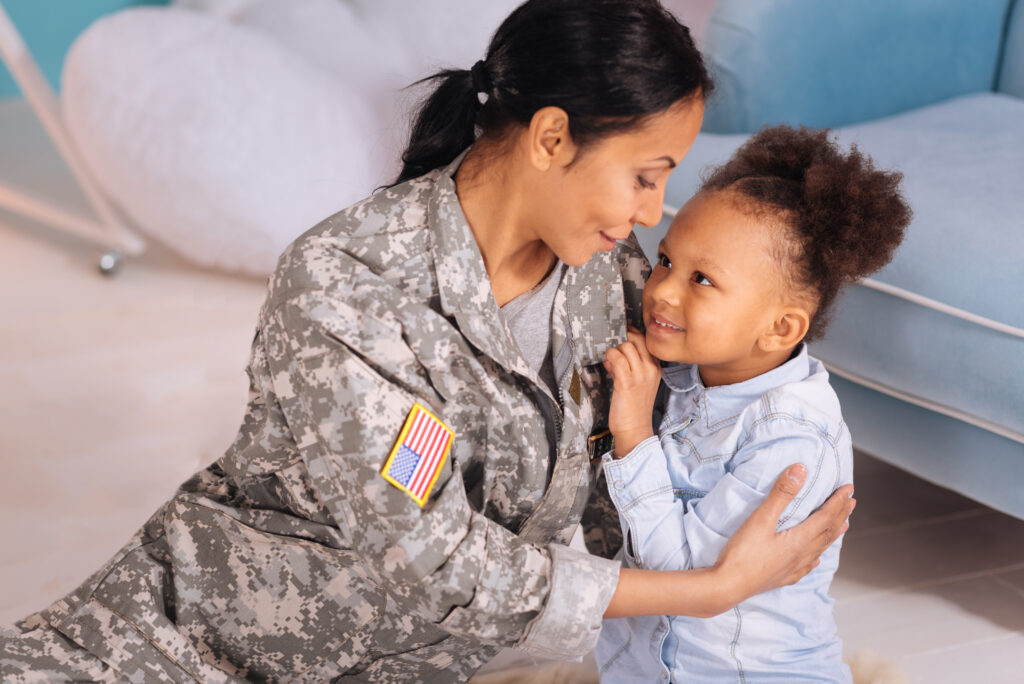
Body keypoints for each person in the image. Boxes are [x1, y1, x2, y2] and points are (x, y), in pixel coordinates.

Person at [0, 2, 854, 682]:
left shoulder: (612, 271)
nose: (648, 214)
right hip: (202, 650)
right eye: (643, 175)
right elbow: (438, 560)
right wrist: (712, 590)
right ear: (552, 137)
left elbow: (732, 361)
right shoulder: (345, 286)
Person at [594, 126, 910, 682]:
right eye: (667, 260)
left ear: (780, 328)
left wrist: (635, 433)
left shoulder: (790, 436)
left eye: (702, 279)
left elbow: (685, 581)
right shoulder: (685, 374)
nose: (662, 289)